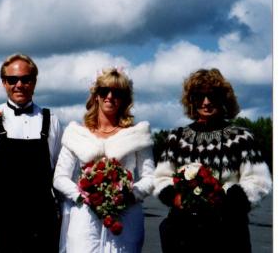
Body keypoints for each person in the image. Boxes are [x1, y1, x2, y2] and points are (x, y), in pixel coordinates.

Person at [153, 68, 272, 253]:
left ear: (223, 98)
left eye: (212, 96)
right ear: (191, 100)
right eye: (200, 96)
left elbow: (259, 181)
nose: (206, 102)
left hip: (229, 234)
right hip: (184, 234)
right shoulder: (176, 138)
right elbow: (160, 178)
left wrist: (230, 200)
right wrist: (176, 197)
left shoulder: (242, 137)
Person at [0, 53, 63, 252]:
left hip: (42, 224)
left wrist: (65, 218)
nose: (19, 85)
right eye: (12, 80)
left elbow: (60, 176)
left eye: (26, 79)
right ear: (4, 83)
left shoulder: (52, 121)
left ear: (34, 82)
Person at [53, 68, 155, 253]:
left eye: (117, 92)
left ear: (125, 98)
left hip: (125, 218)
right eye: (104, 91)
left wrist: (129, 196)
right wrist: (83, 196)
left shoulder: (137, 134)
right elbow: (59, 178)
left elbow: (150, 178)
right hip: (85, 219)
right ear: (96, 96)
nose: (110, 96)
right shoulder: (76, 134)